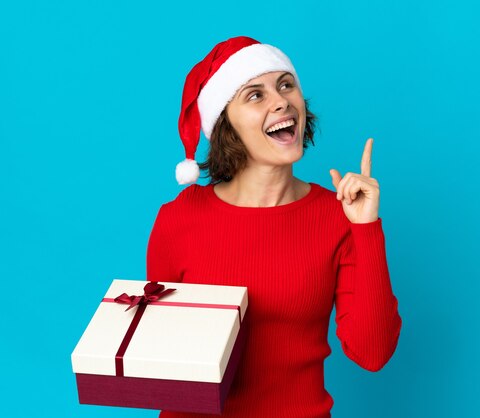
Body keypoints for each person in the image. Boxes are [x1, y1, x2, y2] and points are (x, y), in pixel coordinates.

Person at [147, 36, 402, 418]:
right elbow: (161, 358)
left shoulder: (338, 215)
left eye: (286, 85)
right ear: (224, 125)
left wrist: (366, 229)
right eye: (255, 95)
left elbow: (372, 352)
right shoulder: (179, 218)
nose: (281, 101)